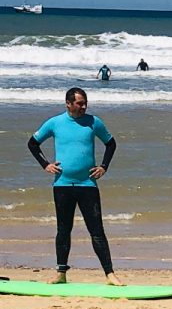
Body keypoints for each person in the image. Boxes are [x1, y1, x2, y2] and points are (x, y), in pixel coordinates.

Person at [26, 87, 123, 286]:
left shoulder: (94, 122)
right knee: (64, 230)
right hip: (62, 185)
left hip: (88, 184)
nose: (83, 106)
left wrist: (103, 167)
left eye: (85, 102)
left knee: (96, 230)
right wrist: (46, 164)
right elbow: (33, 143)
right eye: (79, 103)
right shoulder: (55, 123)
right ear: (68, 103)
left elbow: (111, 143)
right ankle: (61, 273)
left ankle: (110, 274)